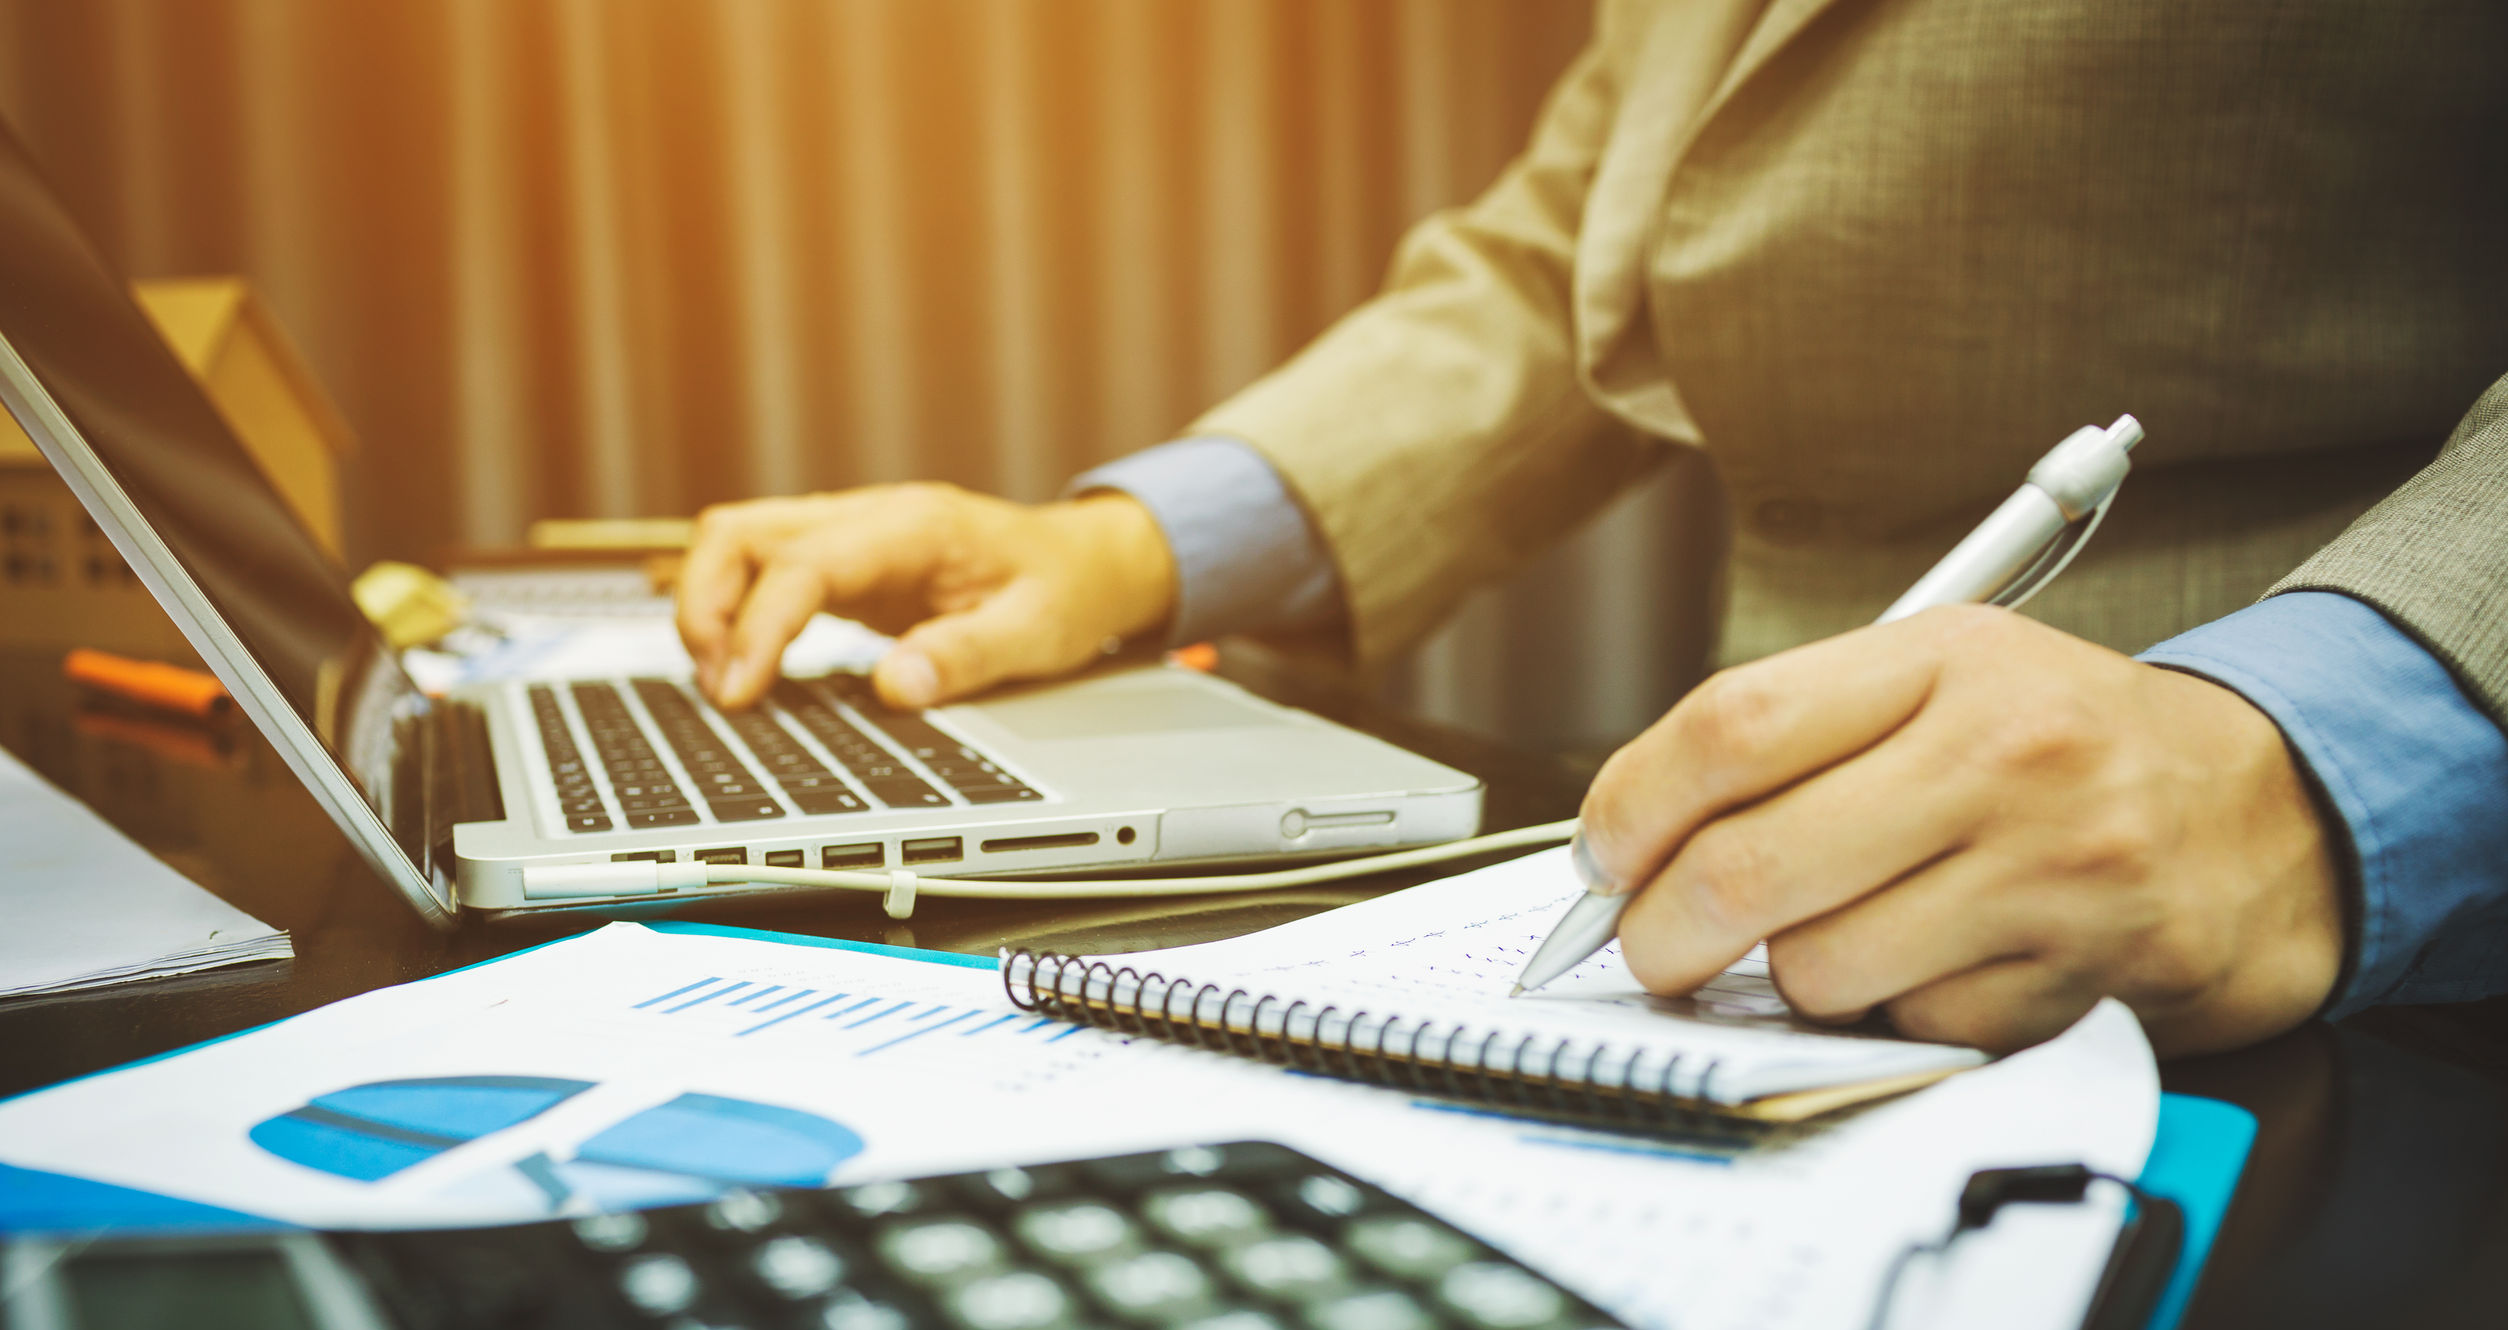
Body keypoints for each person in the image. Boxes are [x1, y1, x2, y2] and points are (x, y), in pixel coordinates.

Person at [677, 0, 2508, 1057]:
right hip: (1801, 952)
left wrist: (2321, 754)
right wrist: (1119, 549)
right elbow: (1582, 242)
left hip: (2369, 973)